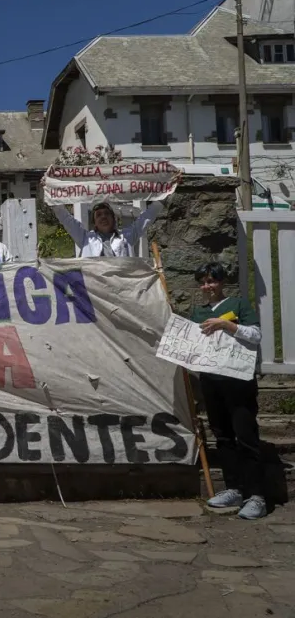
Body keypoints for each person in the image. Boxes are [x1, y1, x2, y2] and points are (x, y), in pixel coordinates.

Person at [191, 262, 267, 520]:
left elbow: (256, 335)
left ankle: (257, 496)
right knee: (222, 437)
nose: (207, 287)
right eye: (203, 282)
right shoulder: (198, 312)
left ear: (221, 282)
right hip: (211, 382)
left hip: (238, 382)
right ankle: (234, 488)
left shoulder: (238, 305)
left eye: (212, 281)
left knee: (245, 436)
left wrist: (228, 326)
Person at [46, 174, 180, 258]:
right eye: (98, 215)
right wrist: (50, 194)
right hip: (94, 294)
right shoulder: (86, 239)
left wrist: (169, 190)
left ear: (114, 218)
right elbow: (65, 219)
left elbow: (148, 217)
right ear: (94, 222)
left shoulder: (127, 236)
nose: (103, 217)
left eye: (106, 214)